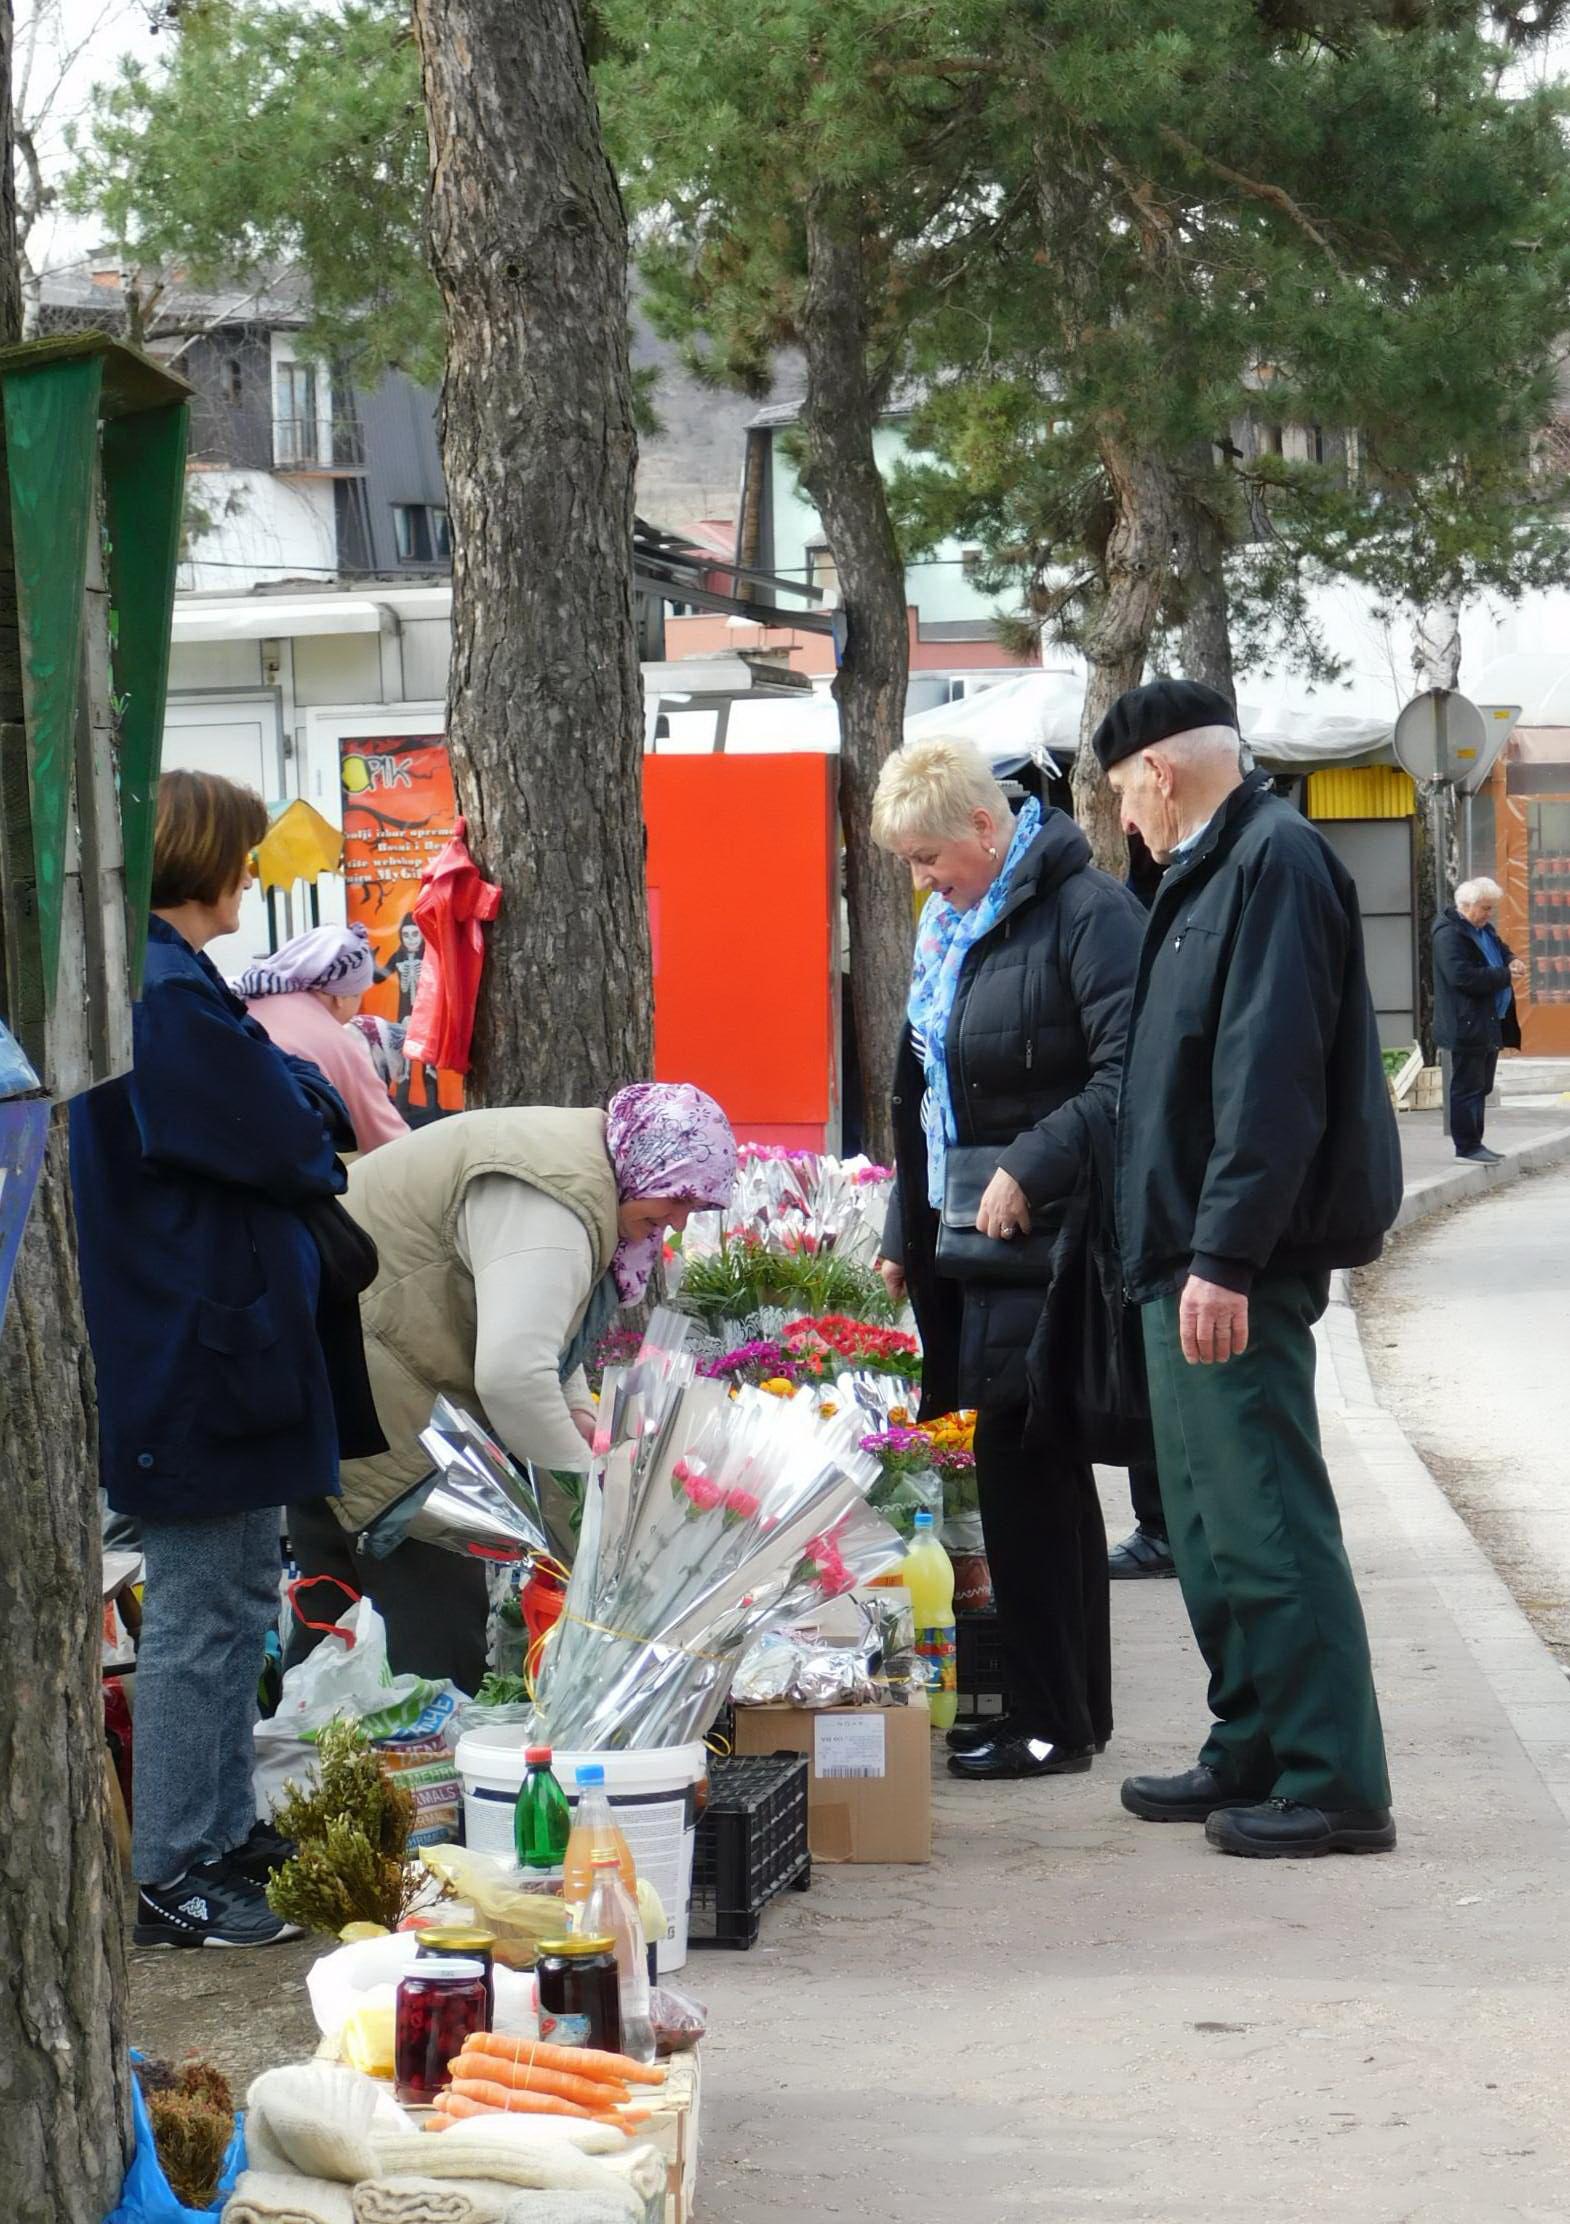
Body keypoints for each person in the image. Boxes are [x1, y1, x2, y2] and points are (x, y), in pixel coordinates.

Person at [1100, 678, 1403, 1858]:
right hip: (1183, 1257)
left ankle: (1333, 1778)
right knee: (1215, 1525)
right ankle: (1254, 1741)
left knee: (1265, 1515)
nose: (1127, 818)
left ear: (1161, 774)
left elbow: (1264, 1080)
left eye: (1127, 793)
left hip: (1229, 1262)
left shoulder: (1270, 861)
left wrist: (1223, 1253)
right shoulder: (1205, 872)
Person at [70, 769, 351, 1947]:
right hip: (194, 1348)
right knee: (202, 1614)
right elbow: (296, 1131)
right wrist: (292, 1093)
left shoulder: (172, 983)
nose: (255, 873)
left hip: (208, 1339)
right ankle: (176, 1863)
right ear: (205, 858)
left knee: (235, 1598)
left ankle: (220, 1828)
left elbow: (296, 1110)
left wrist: (290, 1093)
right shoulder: (163, 992)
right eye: (244, 852)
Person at [873, 737, 1145, 1783]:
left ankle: (1051, 1717)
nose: (920, 879)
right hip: (966, 1245)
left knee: (1030, 1478)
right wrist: (906, 1226)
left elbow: (1129, 1074)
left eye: (928, 855)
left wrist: (1033, 1164)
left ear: (986, 830)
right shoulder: (955, 925)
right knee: (1028, 1476)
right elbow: (920, 1089)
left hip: (1048, 1245)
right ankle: (1063, 1708)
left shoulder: (1087, 916)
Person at [287, 1081, 738, 1690]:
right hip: (384, 1414)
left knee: (333, 1637)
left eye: (699, 1205)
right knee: (430, 1647)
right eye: (678, 1194)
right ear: (644, 1159)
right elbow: (513, 1377)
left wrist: (575, 1408)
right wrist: (588, 1523)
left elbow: (536, 1326)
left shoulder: (580, 1172)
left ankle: (303, 1774)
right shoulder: (553, 1202)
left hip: (332, 1389)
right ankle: (418, 1779)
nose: (680, 1219)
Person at [238, 921, 410, 1155]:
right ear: (340, 997)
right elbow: (388, 1140)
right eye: (359, 994)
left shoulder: (244, 1002)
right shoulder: (332, 1040)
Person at [1433, 875, 1525, 1165]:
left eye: (1490, 908)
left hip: (1489, 1020)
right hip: (1467, 1022)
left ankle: (1477, 1142)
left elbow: (1499, 947)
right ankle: (1467, 1146)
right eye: (1485, 908)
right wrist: (1505, 975)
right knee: (1467, 1086)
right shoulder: (1449, 934)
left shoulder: (1482, 929)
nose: (1489, 914)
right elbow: (1461, 977)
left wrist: (1511, 959)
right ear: (1466, 905)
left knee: (1482, 1085)